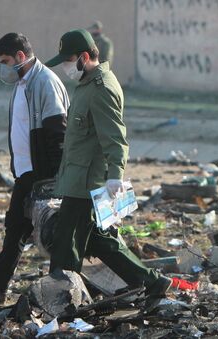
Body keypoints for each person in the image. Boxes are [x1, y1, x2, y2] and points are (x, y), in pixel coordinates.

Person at [45, 29, 171, 309]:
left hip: (87, 182)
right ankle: (151, 281)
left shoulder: (101, 88)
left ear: (85, 57)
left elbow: (115, 137)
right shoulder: (88, 84)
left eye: (68, 61)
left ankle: (59, 301)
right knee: (96, 240)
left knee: (66, 243)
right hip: (77, 177)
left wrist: (115, 176)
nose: (65, 68)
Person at [0, 33, 68, 302]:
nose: (3, 67)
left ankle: (63, 290)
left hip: (42, 175)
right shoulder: (21, 85)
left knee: (51, 232)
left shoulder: (44, 82)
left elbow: (58, 133)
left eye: (5, 60)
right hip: (24, 172)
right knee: (16, 228)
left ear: (21, 56)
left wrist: (51, 179)